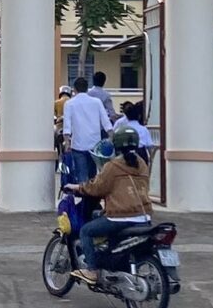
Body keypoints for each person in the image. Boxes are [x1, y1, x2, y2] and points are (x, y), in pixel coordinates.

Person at [73, 125, 152, 283]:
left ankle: (92, 271)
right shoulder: (142, 163)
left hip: (120, 217)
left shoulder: (113, 166)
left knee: (86, 231)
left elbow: (97, 188)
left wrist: (78, 188)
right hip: (144, 216)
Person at [60, 75, 112, 187]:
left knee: (81, 176)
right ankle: (92, 196)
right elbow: (106, 123)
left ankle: (83, 194)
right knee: (93, 176)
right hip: (95, 145)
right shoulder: (97, 102)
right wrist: (111, 138)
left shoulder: (69, 104)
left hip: (78, 145)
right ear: (87, 88)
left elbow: (67, 126)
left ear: (74, 89)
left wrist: (67, 143)